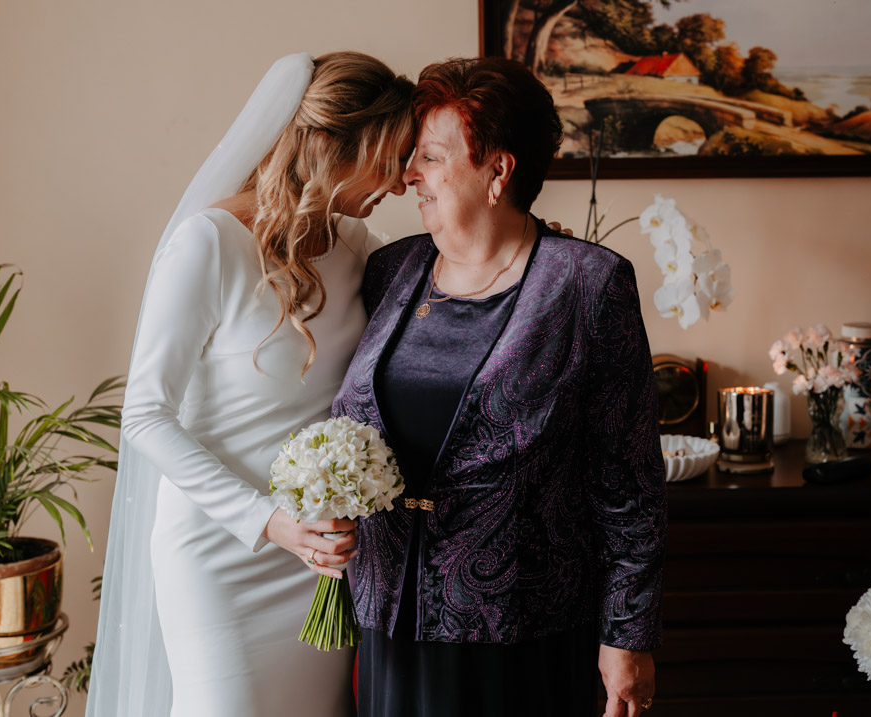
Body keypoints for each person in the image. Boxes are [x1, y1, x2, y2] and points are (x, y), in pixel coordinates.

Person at [332, 56, 667, 717]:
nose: (410, 174)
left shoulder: (587, 283)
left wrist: (627, 636)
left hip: (523, 631)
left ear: (498, 170)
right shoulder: (387, 271)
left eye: (430, 158)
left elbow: (628, 483)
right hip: (389, 620)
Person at [87, 52, 414, 717]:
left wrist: (534, 249)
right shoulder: (208, 243)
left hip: (316, 555)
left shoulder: (358, 246)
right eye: (389, 159)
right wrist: (266, 520)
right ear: (332, 147)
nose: (402, 182)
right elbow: (145, 415)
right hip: (219, 551)